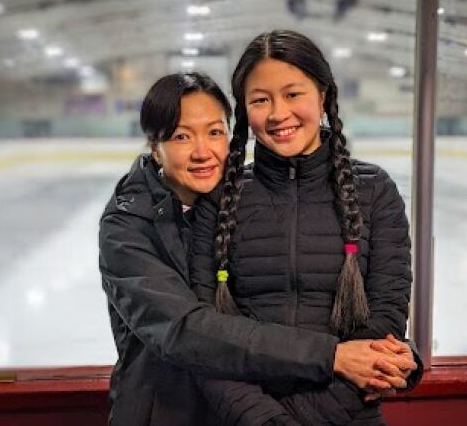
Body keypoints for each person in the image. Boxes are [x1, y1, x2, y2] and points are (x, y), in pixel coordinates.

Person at [99, 72, 417, 426]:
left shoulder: (226, 205)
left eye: (215, 132)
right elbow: (187, 332)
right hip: (167, 413)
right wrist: (332, 356)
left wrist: (401, 356)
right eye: (181, 137)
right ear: (153, 147)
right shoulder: (127, 228)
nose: (203, 151)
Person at [190, 30, 422, 425]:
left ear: (324, 95)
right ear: (245, 110)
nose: (279, 113)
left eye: (293, 94)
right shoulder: (217, 199)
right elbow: (206, 340)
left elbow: (382, 326)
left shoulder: (375, 191)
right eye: (261, 100)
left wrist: (302, 417)